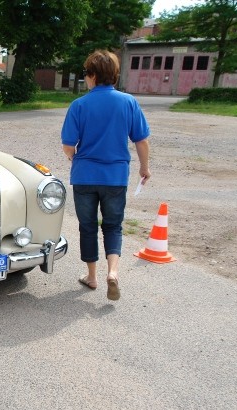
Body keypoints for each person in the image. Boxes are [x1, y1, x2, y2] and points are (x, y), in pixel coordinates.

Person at [61, 50, 151, 301]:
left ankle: (92, 277)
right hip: (116, 177)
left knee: (88, 227)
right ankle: (113, 272)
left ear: (91, 75)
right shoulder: (128, 102)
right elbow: (141, 141)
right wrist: (144, 168)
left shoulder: (79, 105)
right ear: (114, 75)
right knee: (113, 226)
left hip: (85, 177)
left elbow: (68, 145)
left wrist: (74, 157)